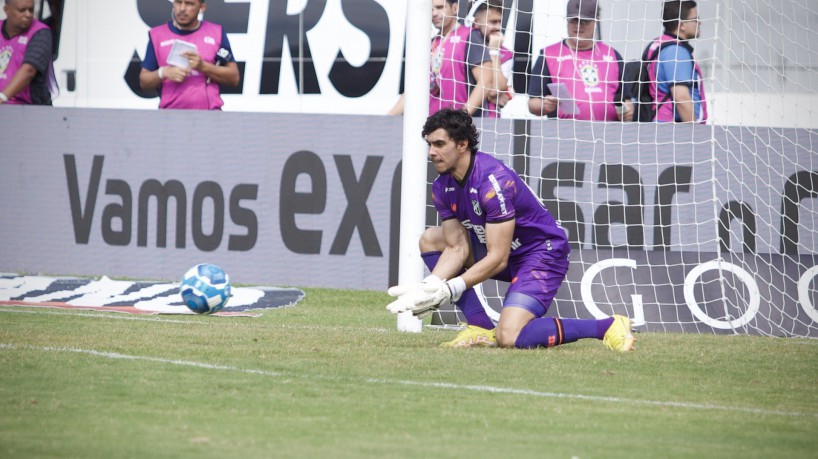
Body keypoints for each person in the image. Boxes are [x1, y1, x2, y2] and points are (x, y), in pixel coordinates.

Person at [386, 108, 635, 351]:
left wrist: (450, 289)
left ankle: (607, 326)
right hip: (503, 252)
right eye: (430, 144)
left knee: (509, 336)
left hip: (541, 254)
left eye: (440, 144)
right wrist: (430, 285)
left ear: (462, 145)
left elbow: (498, 258)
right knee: (431, 239)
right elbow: (456, 247)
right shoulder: (442, 186)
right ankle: (480, 327)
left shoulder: (492, 183)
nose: (432, 152)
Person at [527, 0, 632, 121]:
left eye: (584, 21)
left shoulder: (612, 55)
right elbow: (532, 103)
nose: (578, 26)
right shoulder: (549, 55)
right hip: (564, 130)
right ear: (567, 20)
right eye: (573, 20)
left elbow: (627, 99)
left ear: (596, 20)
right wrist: (543, 105)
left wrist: (628, 111)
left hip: (608, 131)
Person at [387, 0, 493, 116]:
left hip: (458, 123)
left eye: (440, 7)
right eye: (431, 9)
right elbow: (414, 88)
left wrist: (462, 117)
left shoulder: (470, 36)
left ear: (455, 8)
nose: (434, 13)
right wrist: (387, 118)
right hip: (432, 122)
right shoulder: (432, 42)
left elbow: (486, 81)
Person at [139, 0, 240, 110]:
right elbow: (144, 81)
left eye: (189, 3)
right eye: (178, 2)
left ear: (202, 7)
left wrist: (203, 66)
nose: (182, 8)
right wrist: (163, 72)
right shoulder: (157, 35)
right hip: (169, 115)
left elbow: (234, 77)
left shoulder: (216, 33)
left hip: (209, 115)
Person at [647, 0, 707, 123]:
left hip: (661, 124)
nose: (700, 23)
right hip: (672, 128)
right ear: (682, 25)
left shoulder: (658, 43)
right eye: (696, 19)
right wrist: (694, 132)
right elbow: (681, 98)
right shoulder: (676, 51)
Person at [0, 0, 58, 106]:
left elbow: (29, 70)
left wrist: (2, 97)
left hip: (29, 107)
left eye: (31, 10)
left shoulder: (41, 32)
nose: (28, 14)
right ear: (6, 10)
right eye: (22, 10)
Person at [469, 0, 513, 117]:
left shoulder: (506, 53)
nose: (498, 27)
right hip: (464, 117)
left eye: (500, 22)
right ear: (476, 22)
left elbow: (495, 90)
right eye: (493, 22)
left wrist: (494, 52)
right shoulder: (463, 46)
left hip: (491, 120)